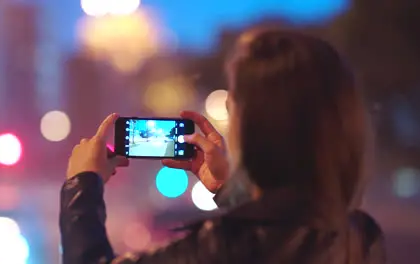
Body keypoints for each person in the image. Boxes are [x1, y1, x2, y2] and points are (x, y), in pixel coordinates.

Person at [59, 29, 386, 263]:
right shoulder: (361, 238)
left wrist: (82, 187)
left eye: (236, 104)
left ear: (263, 129)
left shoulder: (220, 249)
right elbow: (284, 230)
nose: (229, 111)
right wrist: (232, 191)